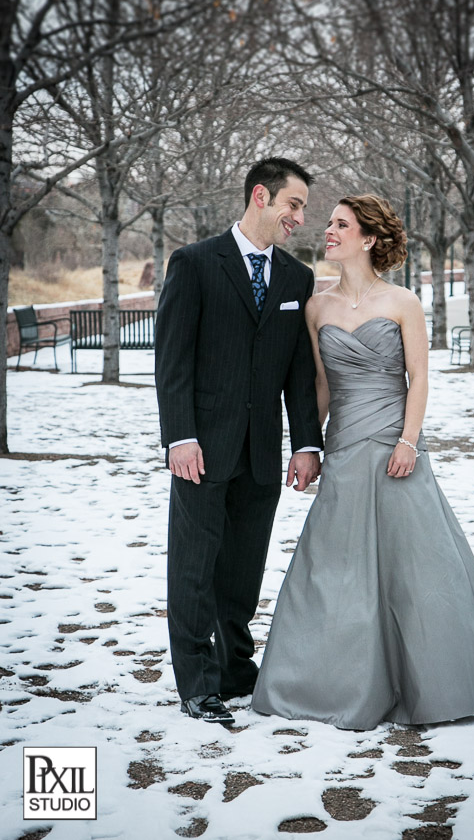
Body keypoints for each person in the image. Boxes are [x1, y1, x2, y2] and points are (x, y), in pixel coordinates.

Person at [252, 193, 474, 730]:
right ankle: (323, 682)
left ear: (369, 239)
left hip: (395, 447)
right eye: (328, 223)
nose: (328, 231)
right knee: (332, 570)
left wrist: (409, 442)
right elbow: (321, 386)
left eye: (340, 225)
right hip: (346, 448)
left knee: (415, 571)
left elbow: (419, 377)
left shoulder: (403, 302)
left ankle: (436, 686)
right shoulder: (317, 307)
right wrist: (307, 446)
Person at [155, 157, 323, 725]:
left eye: (302, 207)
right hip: (200, 450)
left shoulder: (297, 279)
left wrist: (306, 444)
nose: (300, 217)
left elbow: (300, 374)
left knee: (242, 571)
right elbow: (172, 361)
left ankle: (233, 671)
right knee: (195, 568)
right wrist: (180, 436)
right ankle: (197, 683)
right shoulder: (196, 263)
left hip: (260, 454)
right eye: (293, 204)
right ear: (260, 196)